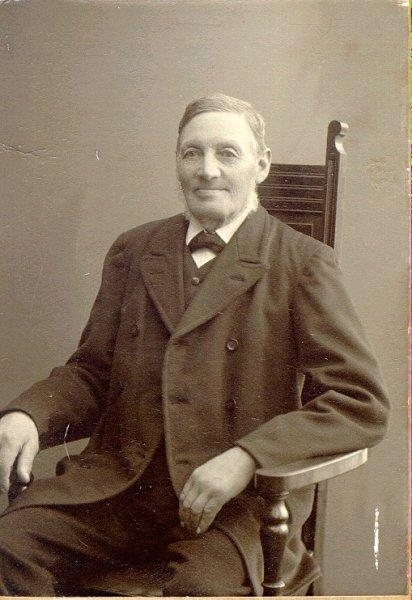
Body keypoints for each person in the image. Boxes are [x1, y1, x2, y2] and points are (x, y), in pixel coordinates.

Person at [0, 93, 389, 596]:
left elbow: (360, 403)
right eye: (192, 153)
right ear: (177, 163)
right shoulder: (134, 250)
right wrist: (28, 415)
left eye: (227, 153)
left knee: (197, 589)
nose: (207, 170)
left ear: (261, 165)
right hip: (120, 489)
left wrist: (248, 457)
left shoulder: (302, 263)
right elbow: (93, 373)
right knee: (8, 544)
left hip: (236, 508)